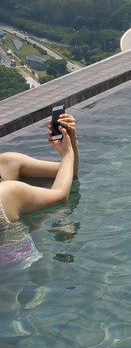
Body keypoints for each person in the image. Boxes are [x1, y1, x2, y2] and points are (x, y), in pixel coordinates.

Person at [0, 112, 79, 263]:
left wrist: (72, 142)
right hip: (17, 277)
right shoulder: (8, 192)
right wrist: (68, 153)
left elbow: (69, 172)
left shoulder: (8, 163)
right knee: (45, 226)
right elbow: (60, 194)